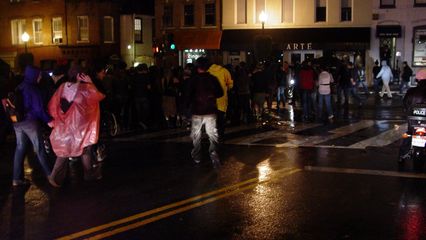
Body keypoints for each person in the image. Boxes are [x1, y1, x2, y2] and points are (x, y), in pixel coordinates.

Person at [48, 72, 104, 187]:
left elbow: (53, 105)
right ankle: (88, 174)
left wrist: (54, 120)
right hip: (80, 128)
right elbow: (97, 97)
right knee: (85, 149)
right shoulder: (84, 89)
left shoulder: (63, 87)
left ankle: (54, 176)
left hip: (64, 127)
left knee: (63, 152)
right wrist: (90, 82)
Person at [11, 65, 52, 187]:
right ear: (34, 75)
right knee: (40, 149)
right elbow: (39, 109)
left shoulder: (20, 86)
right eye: (39, 75)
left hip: (18, 123)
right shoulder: (33, 89)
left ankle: (16, 179)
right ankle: (51, 175)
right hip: (30, 122)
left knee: (19, 148)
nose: (40, 77)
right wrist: (49, 120)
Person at [186, 57, 224, 168]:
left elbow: (188, 95)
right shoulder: (213, 78)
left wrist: (187, 108)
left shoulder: (193, 80)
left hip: (197, 110)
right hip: (210, 110)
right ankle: (213, 153)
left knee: (196, 134)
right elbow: (220, 93)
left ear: (197, 67)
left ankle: (197, 156)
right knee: (212, 133)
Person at [398, 69, 426, 162]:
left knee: (408, 135)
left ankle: (401, 156)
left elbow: (405, 103)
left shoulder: (411, 91)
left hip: (413, 121)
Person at [208, 61, 233, 142]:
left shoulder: (208, 71)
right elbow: (230, 84)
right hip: (222, 99)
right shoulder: (224, 71)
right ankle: (220, 135)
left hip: (210, 100)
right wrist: (227, 88)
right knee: (221, 119)